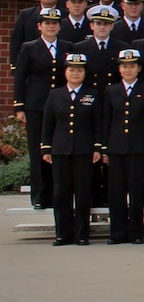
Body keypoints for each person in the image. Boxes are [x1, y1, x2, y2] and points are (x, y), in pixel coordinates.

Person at [41, 53, 101, 246]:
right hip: (60, 150)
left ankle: (82, 234)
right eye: (72, 69)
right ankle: (62, 234)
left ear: (85, 73)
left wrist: (97, 147)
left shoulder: (92, 94)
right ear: (65, 72)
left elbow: (97, 124)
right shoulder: (55, 94)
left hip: (84, 150)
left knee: (82, 193)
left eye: (79, 70)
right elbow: (48, 123)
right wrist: (46, 148)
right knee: (61, 193)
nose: (75, 73)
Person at [13, 7, 69, 209]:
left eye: (54, 23)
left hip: (59, 106)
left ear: (59, 27)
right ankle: (39, 195)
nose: (51, 26)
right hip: (36, 106)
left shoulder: (67, 47)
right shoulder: (29, 47)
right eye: (47, 23)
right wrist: (19, 106)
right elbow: (20, 78)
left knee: (56, 149)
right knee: (37, 150)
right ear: (39, 26)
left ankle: (57, 193)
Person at [101, 48, 144, 244]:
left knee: (137, 191)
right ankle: (117, 233)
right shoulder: (111, 90)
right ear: (119, 69)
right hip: (115, 148)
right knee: (116, 193)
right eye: (124, 66)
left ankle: (136, 233)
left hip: (138, 148)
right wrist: (104, 149)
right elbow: (106, 120)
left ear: (139, 68)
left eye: (132, 66)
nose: (128, 69)